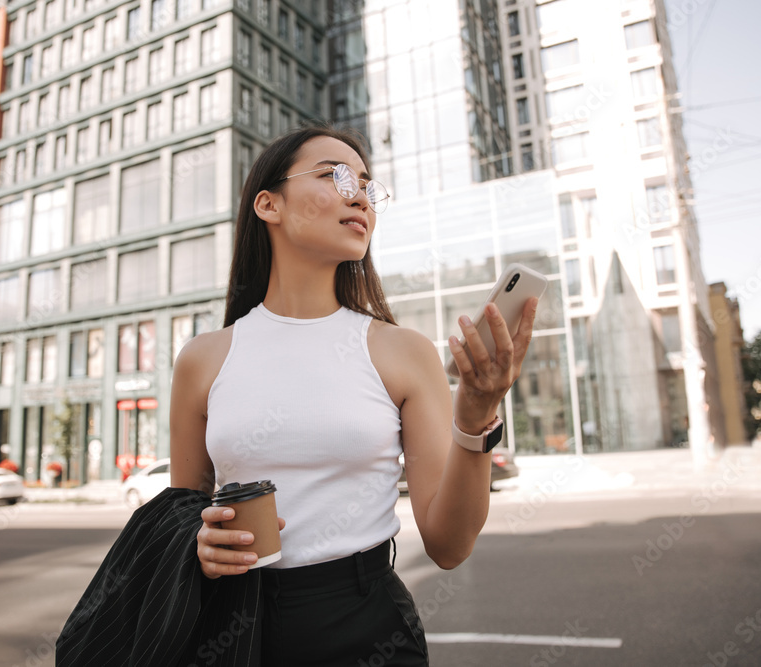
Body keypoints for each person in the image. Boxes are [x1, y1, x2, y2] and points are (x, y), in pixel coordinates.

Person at [170, 124, 538, 666]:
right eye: (334, 176)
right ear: (268, 204)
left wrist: (477, 417)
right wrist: (198, 548)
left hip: (366, 628)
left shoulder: (402, 351)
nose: (359, 194)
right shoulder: (203, 358)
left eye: (366, 183)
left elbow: (449, 546)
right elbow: (182, 513)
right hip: (233, 631)